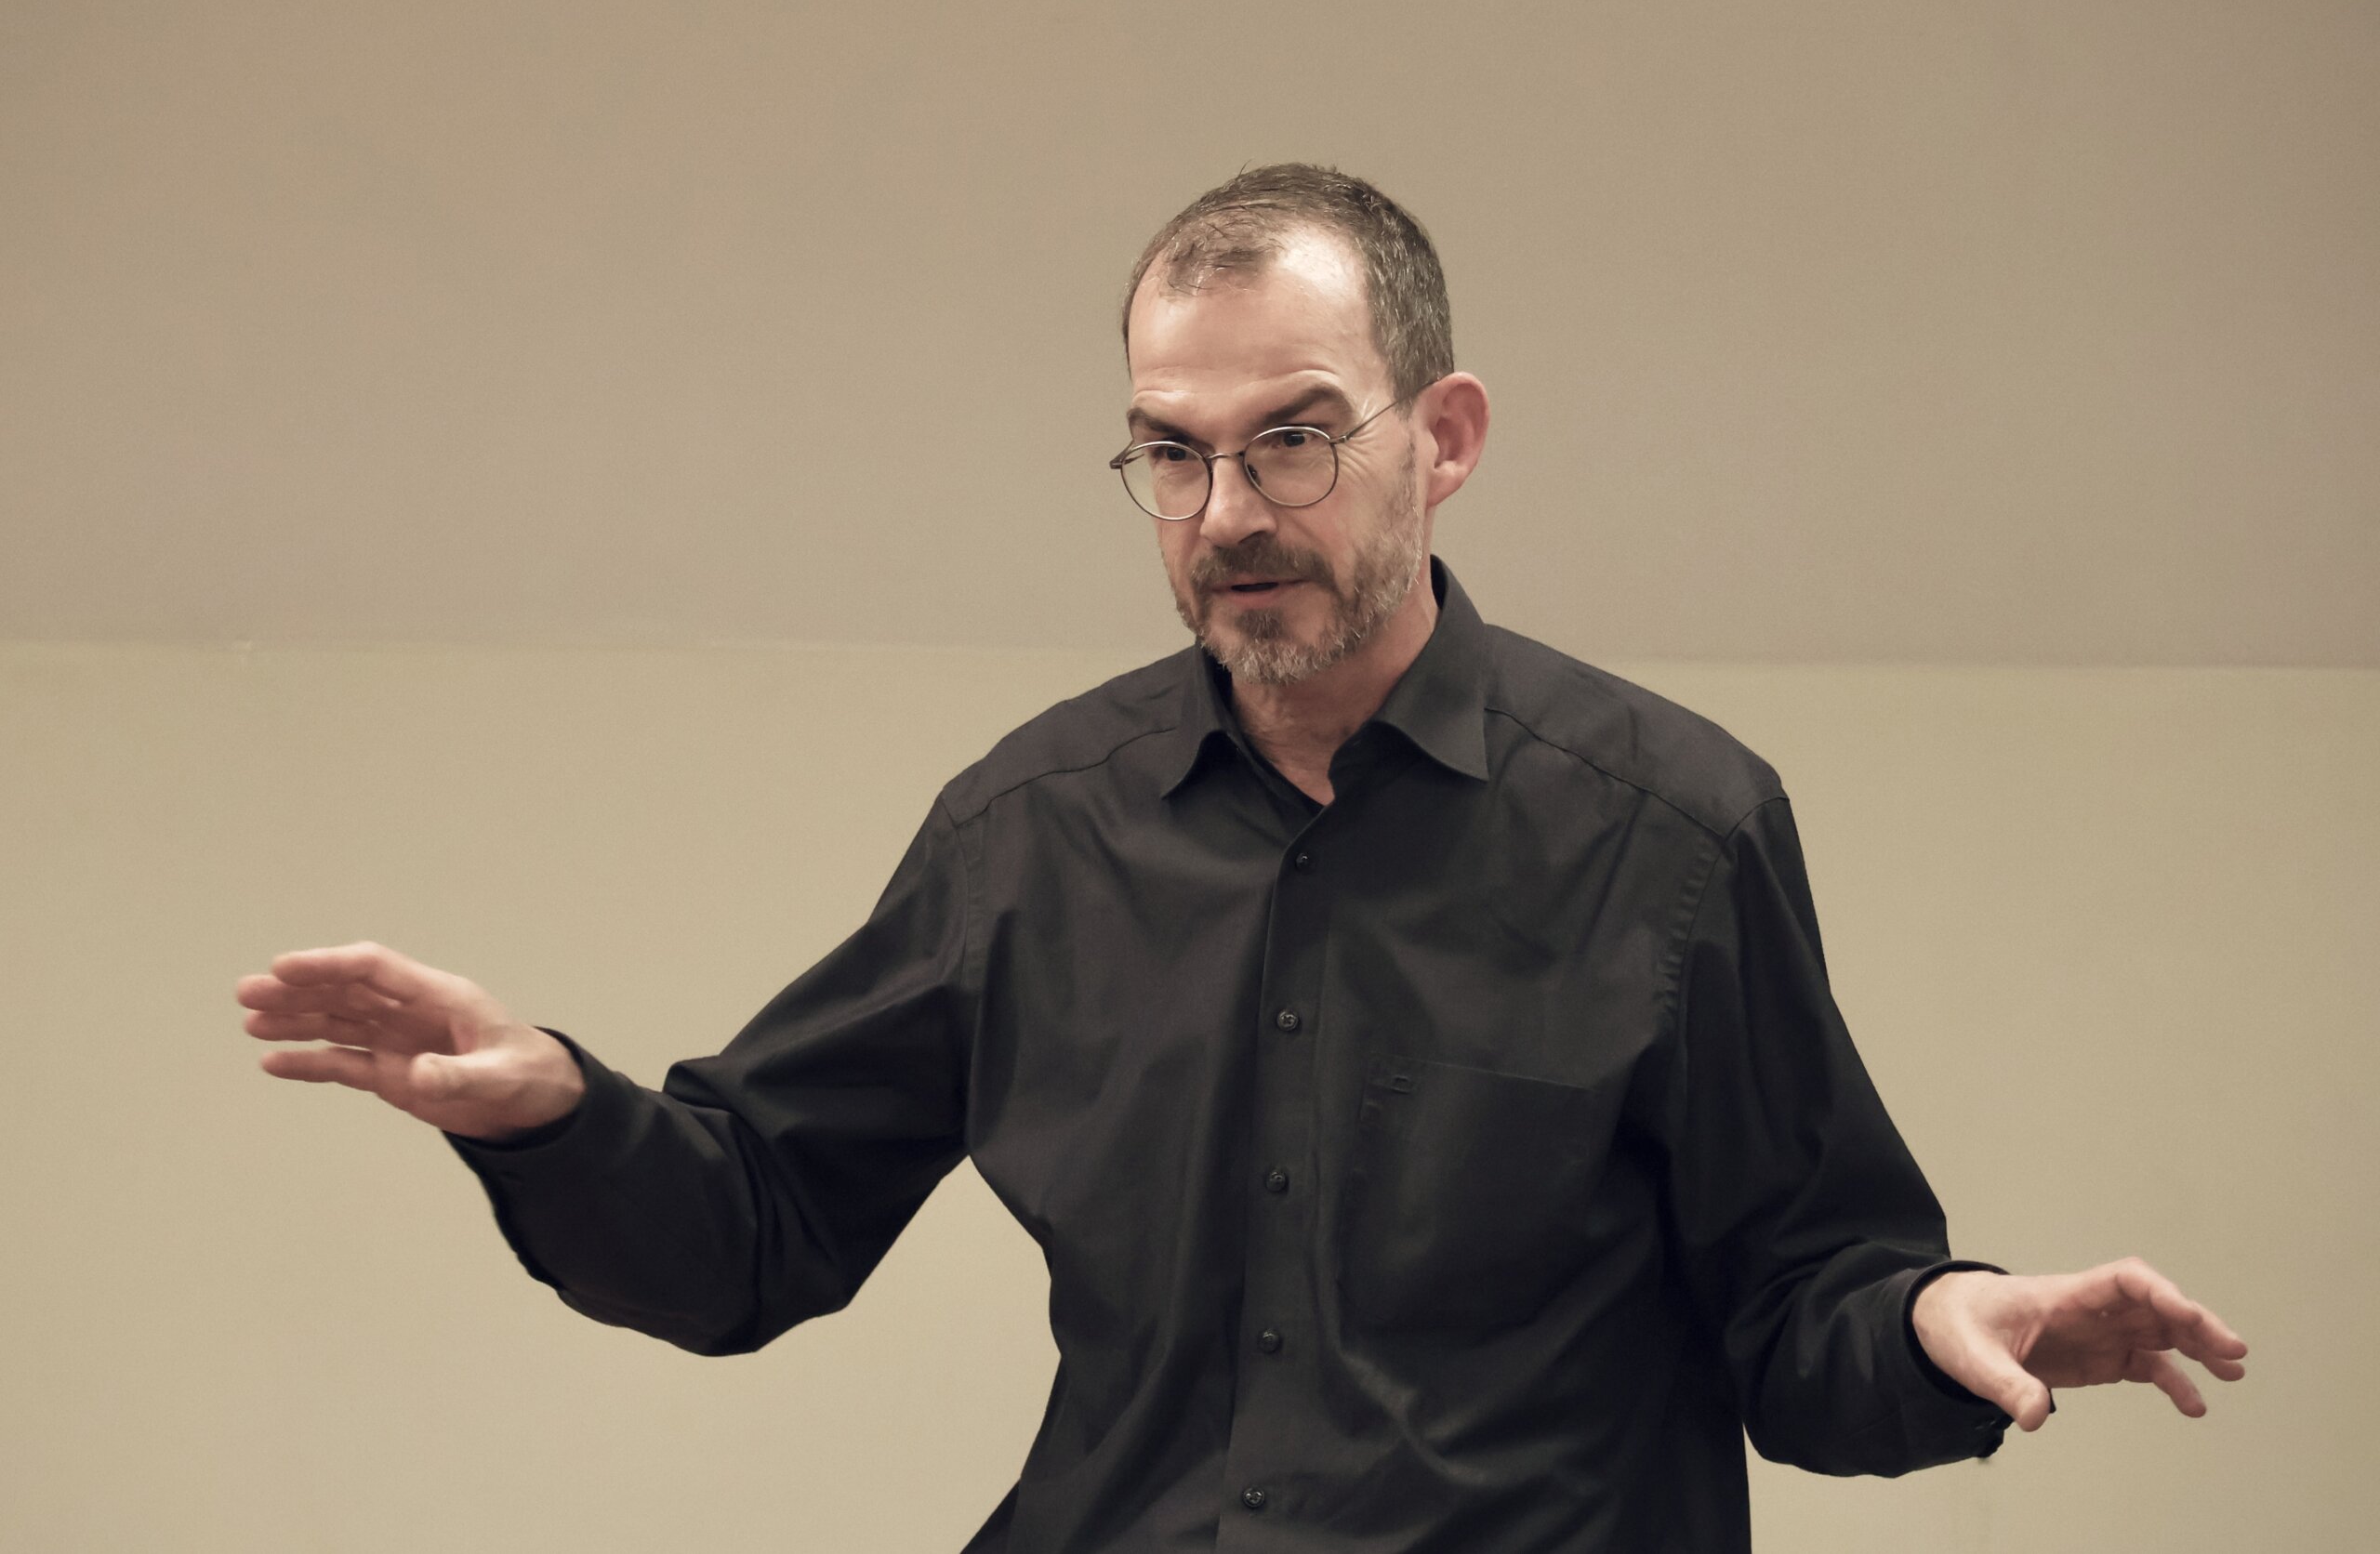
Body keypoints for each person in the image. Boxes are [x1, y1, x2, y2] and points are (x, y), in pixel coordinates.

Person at [236, 164, 2247, 1551]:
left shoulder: (1673, 828)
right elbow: (755, 1224)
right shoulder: (1031, 830)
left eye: (1291, 437)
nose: (1224, 514)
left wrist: (1934, 1324)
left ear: (1442, 437)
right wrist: (552, 1112)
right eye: (1171, 451)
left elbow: (1800, 1303)